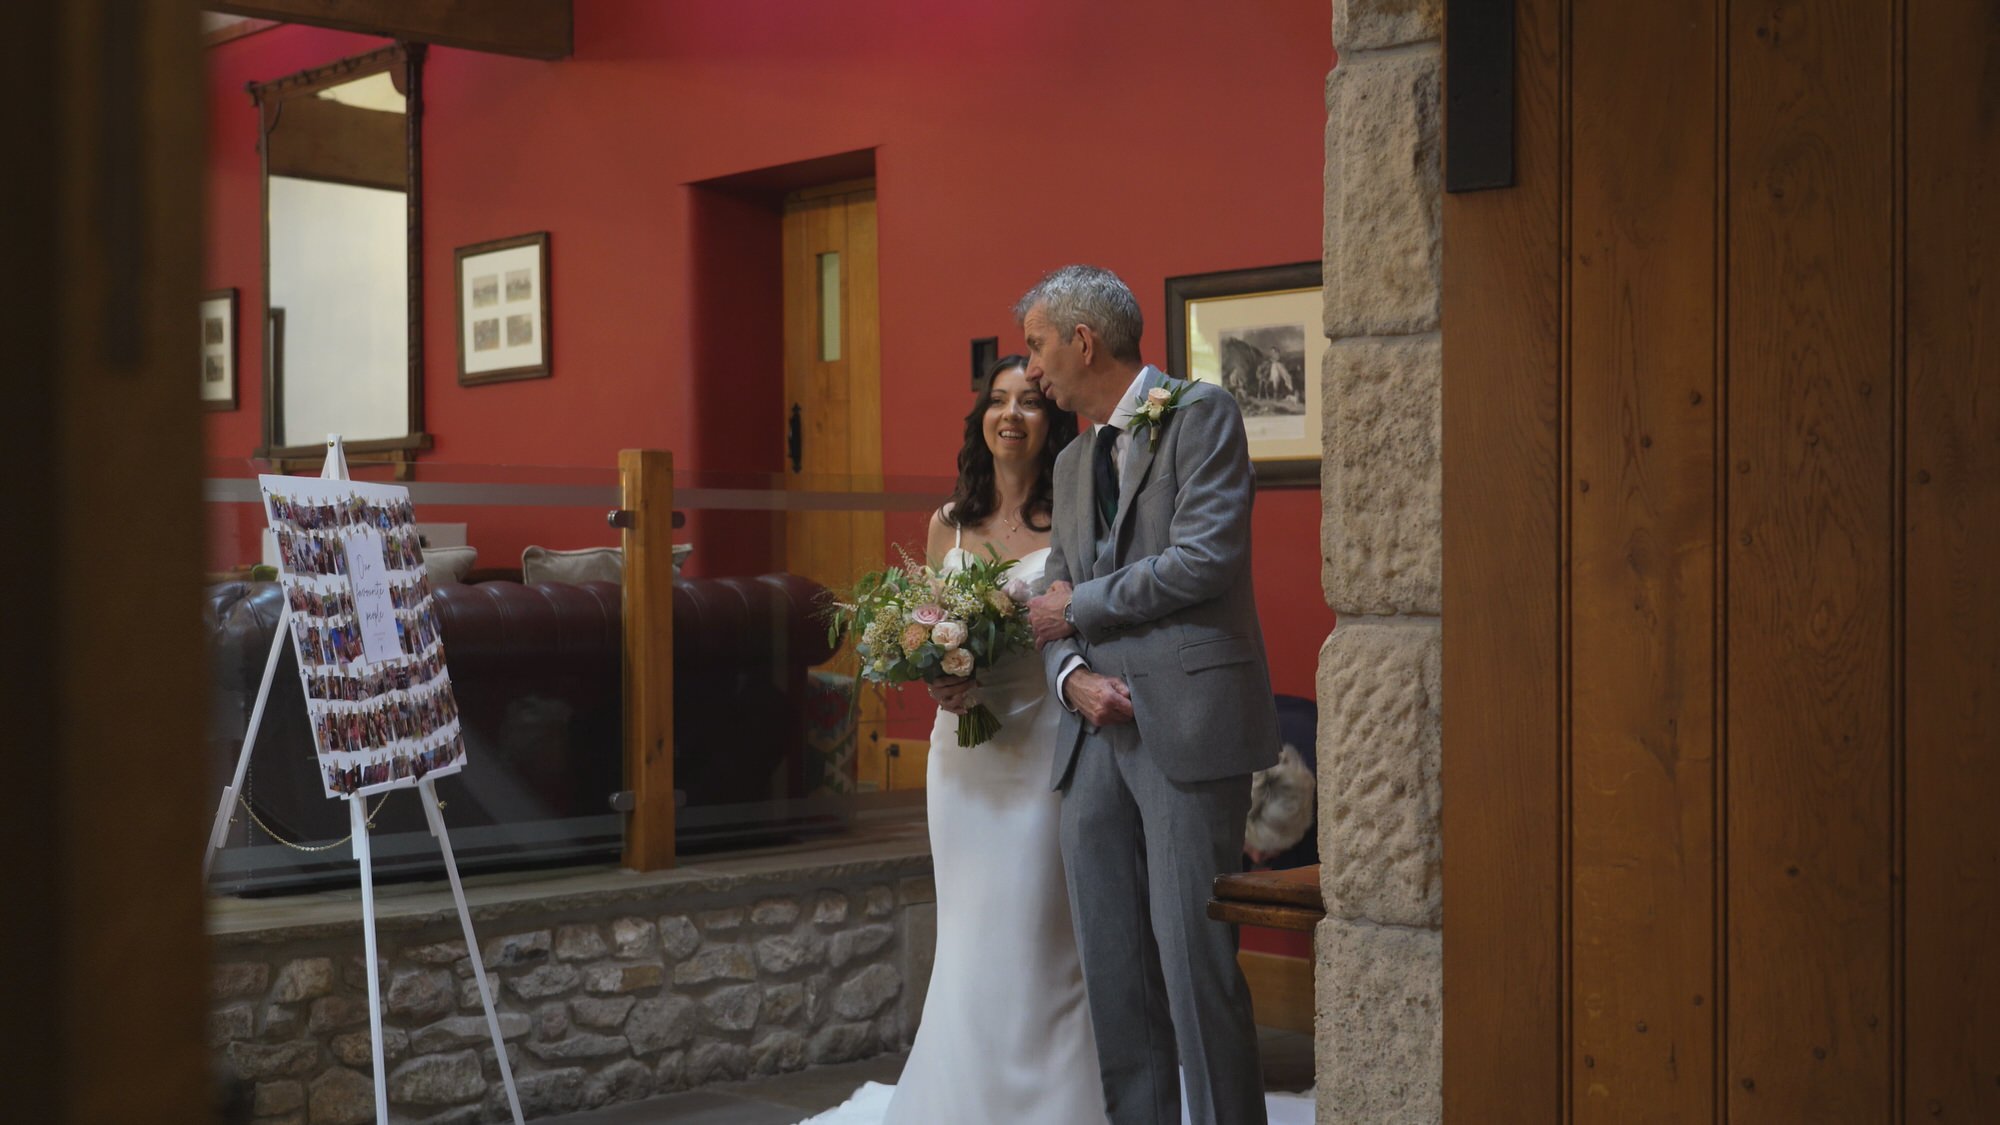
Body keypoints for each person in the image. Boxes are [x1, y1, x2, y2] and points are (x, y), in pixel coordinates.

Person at [805, 356, 1105, 1125]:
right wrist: (937, 672)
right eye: (998, 400)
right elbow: (927, 623)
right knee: (970, 933)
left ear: (1053, 420)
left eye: (1030, 402)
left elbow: (1090, 625)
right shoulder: (950, 522)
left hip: (1045, 740)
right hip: (964, 752)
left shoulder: (1075, 515)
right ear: (981, 418)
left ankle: (1057, 1103)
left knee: (1042, 926)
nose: (1012, 414)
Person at [1021, 265, 1283, 1125]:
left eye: (1037, 344)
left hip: (1186, 723)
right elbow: (1052, 595)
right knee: (1116, 969)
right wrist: (1072, 678)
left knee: (1194, 965)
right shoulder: (1068, 462)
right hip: (1092, 731)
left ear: (1082, 341)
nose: (1031, 369)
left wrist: (1084, 610)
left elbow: (1205, 559)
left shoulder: (1201, 414)